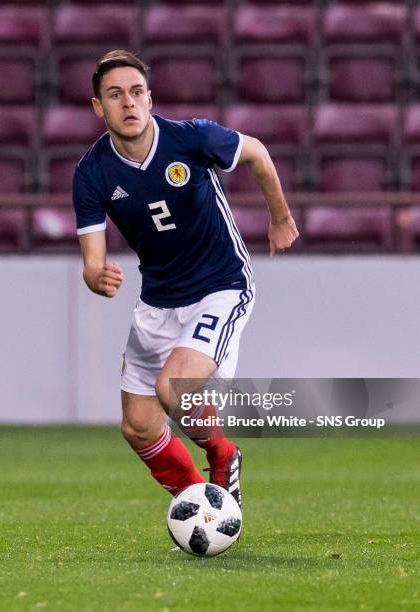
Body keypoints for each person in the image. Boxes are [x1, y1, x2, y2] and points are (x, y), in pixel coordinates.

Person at [73, 50, 299, 506]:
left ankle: (222, 453)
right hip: (157, 300)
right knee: (137, 426)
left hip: (220, 285)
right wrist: (96, 276)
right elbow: (92, 260)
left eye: (136, 93)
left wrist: (280, 216)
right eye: (115, 95)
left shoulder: (191, 139)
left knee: (173, 390)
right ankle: (202, 505)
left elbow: (255, 152)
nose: (128, 103)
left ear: (151, 98)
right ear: (99, 107)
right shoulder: (90, 174)